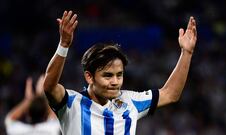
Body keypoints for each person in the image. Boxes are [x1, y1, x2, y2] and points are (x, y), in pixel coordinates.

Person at [43, 10, 197, 135]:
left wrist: (186, 53)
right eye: (107, 75)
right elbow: (49, 87)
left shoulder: (130, 102)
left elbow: (170, 94)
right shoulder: (71, 104)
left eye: (119, 75)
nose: (115, 82)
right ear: (89, 76)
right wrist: (63, 45)